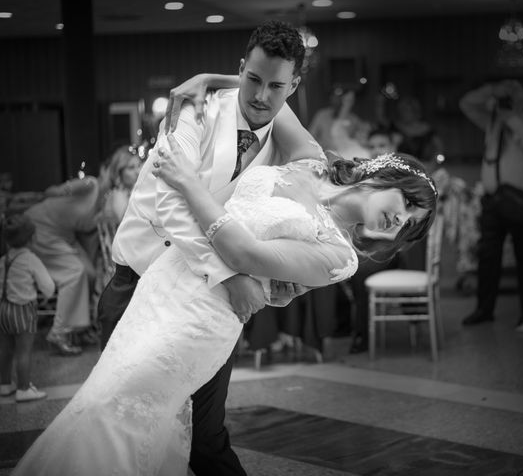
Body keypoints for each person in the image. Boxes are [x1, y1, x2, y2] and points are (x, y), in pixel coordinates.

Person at [13, 123, 438, 474]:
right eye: (406, 204)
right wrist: (203, 78)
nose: (399, 220)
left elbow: (244, 254)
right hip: (165, 282)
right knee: (102, 399)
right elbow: (277, 87)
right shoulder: (312, 161)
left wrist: (186, 182)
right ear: (387, 176)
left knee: (121, 412)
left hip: (203, 317)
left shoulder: (340, 256)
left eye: (407, 225)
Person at [97, 21, 309, 476]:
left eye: (275, 86)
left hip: (208, 305)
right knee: (126, 437)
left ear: (294, 86)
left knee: (207, 439)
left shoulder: (286, 143)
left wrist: (279, 281)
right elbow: (168, 209)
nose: (259, 95)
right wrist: (232, 277)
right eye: (252, 79)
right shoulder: (192, 112)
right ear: (240, 70)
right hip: (139, 286)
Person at [24, 147, 141, 356]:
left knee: (89, 273)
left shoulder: (109, 199)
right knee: (75, 272)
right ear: (113, 171)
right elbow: (53, 191)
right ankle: (59, 332)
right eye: (130, 167)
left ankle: (78, 328)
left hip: (64, 234)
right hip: (42, 226)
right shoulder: (91, 185)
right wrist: (64, 189)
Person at [459, 79, 523, 328]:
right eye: (507, 95)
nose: (509, 98)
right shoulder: (492, 119)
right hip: (492, 199)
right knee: (488, 257)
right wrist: (492, 90)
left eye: (514, 94)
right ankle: (484, 309)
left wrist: (513, 118)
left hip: (521, 201)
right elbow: (466, 103)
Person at [0, 214, 55, 402]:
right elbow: (48, 287)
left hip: (3, 309)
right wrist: (49, 294)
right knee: (23, 352)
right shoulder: (30, 259)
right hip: (22, 310)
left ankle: (5, 384)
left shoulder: (3, 259)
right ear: (32, 238)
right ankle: (23, 389)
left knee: (5, 350)